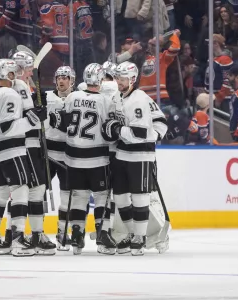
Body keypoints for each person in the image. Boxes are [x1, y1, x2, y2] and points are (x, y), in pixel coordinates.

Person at [0, 59, 47, 257]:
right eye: (13, 73)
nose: (16, 75)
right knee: (21, 190)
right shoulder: (10, 94)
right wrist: (34, 119)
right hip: (10, 148)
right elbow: (8, 128)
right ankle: (17, 239)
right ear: (8, 74)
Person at [49, 63, 117, 255]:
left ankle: (77, 235)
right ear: (100, 79)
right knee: (102, 196)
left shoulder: (72, 97)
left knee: (78, 197)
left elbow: (62, 123)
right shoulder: (106, 101)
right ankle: (102, 235)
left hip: (73, 158)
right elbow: (111, 131)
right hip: (97, 158)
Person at [102, 61, 158, 256]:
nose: (119, 82)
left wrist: (116, 129)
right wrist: (111, 126)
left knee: (139, 196)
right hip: (122, 153)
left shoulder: (139, 99)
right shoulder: (117, 97)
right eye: (117, 78)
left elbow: (140, 133)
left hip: (141, 154)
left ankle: (140, 237)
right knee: (119, 196)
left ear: (133, 79)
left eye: (123, 79)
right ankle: (133, 233)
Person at [9, 51, 57, 255]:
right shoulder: (17, 88)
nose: (31, 70)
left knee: (37, 188)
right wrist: (37, 109)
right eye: (28, 67)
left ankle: (36, 234)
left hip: (34, 143)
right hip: (24, 144)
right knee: (24, 191)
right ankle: (17, 235)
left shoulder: (26, 86)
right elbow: (25, 117)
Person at [45, 66, 76, 251]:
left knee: (67, 198)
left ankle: (63, 232)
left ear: (72, 80)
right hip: (47, 153)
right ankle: (37, 232)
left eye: (65, 77)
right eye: (59, 77)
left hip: (68, 154)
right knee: (37, 195)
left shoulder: (77, 99)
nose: (61, 81)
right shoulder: (46, 97)